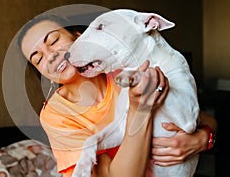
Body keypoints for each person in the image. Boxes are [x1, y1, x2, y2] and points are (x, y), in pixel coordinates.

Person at [17, 14, 217, 177]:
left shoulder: (122, 68)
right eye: (38, 59)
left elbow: (202, 117)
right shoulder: (56, 116)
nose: (50, 55)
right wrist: (141, 109)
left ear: (79, 37)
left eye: (53, 40)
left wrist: (202, 138)